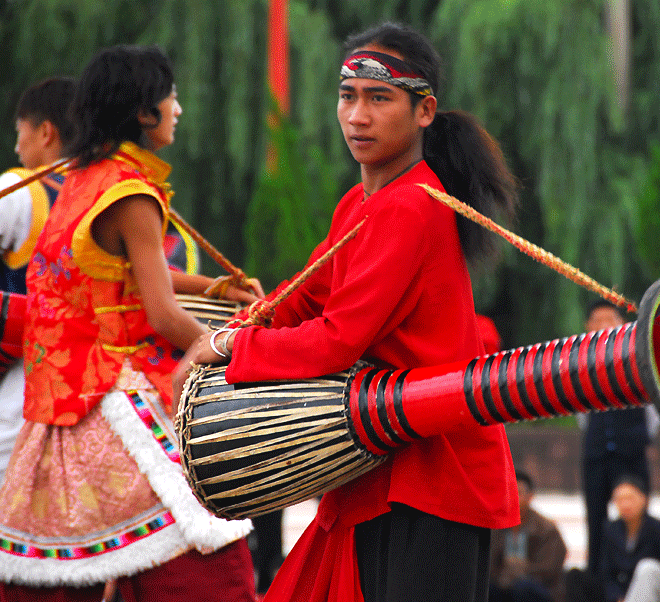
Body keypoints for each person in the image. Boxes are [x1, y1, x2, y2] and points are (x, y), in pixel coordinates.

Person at [174, 21, 520, 602]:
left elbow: (337, 341)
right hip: (377, 463)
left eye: (379, 99)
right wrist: (247, 320)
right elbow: (306, 296)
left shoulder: (409, 207)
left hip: (434, 475)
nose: (357, 116)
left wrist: (226, 347)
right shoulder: (362, 203)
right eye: (348, 96)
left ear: (424, 111)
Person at [0, 45, 258, 602]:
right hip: (116, 397)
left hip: (56, 403)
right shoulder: (132, 193)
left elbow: (117, 274)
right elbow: (163, 316)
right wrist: (236, 346)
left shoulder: (83, 176)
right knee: (212, 565)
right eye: (172, 97)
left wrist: (212, 285)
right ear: (144, 112)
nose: (179, 109)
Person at [0, 77, 75, 487]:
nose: (17, 147)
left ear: (46, 132)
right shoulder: (112, 193)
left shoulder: (17, 189)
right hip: (93, 386)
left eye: (19, 132)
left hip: (23, 386)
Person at [581, 298, 660, 576]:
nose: (604, 326)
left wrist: (637, 437)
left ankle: (641, 578)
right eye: (597, 321)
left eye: (610, 320)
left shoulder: (638, 356)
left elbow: (653, 410)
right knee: (595, 518)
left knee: (637, 516)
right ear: (587, 327)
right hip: (597, 453)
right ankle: (598, 583)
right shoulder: (579, 361)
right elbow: (581, 413)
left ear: (623, 325)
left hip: (631, 451)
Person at [490, 471, 568, 602]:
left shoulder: (546, 529)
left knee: (522, 588)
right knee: (489, 588)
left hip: (538, 588)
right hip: (503, 584)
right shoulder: (496, 527)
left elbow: (549, 569)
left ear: (530, 496)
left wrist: (518, 572)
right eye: (509, 493)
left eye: (519, 493)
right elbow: (490, 565)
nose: (513, 498)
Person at [597, 475, 660, 602]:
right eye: (619, 499)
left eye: (630, 498)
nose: (625, 504)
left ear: (644, 499)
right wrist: (617, 596)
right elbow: (606, 571)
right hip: (618, 593)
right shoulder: (610, 529)